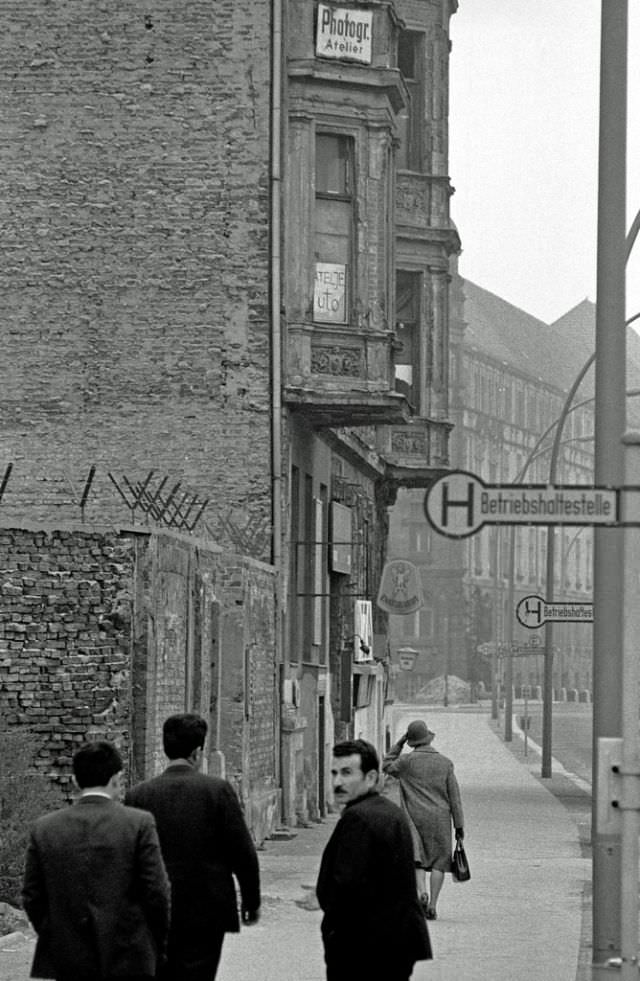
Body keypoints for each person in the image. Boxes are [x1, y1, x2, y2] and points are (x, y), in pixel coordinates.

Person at [125, 713, 260, 981]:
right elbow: (242, 852)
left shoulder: (139, 795)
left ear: (166, 748)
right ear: (197, 752)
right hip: (207, 911)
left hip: (155, 911)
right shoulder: (217, 791)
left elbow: (128, 859)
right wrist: (251, 901)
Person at [22, 740, 170, 981]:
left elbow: (32, 895)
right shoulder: (138, 824)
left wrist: (56, 934)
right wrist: (155, 941)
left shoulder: (45, 828)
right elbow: (157, 891)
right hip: (128, 953)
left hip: (69, 956)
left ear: (74, 781)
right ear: (116, 779)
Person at [316, 739, 432, 981]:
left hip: (366, 946)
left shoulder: (359, 818)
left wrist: (326, 896)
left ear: (370, 778)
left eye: (347, 773)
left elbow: (346, 884)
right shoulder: (389, 811)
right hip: (396, 942)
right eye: (334, 773)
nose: (338, 782)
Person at [383, 719, 465, 921]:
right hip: (439, 818)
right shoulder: (445, 763)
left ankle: (421, 894)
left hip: (414, 817)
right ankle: (433, 905)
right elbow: (455, 798)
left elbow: (386, 765)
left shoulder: (406, 762)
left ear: (412, 741)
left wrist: (399, 743)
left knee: (417, 859)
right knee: (439, 862)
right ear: (428, 739)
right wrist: (459, 826)